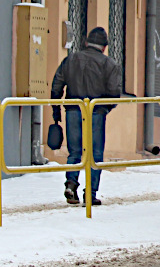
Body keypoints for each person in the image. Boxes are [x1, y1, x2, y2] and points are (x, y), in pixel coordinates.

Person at [50, 27, 123, 205]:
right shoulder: (110, 65)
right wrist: (105, 108)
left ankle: (71, 184)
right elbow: (114, 93)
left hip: (73, 110)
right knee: (95, 153)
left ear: (85, 42)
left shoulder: (71, 59)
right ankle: (90, 193)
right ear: (104, 47)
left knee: (74, 151)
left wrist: (56, 111)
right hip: (96, 112)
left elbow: (56, 86)